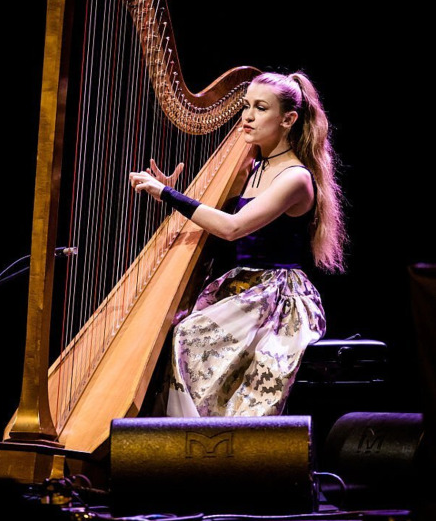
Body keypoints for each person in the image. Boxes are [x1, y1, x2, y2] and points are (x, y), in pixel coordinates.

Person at [129, 71, 347, 417]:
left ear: (288, 119)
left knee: (190, 335)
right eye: (246, 106)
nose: (247, 116)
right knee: (173, 329)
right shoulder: (253, 166)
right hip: (242, 288)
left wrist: (169, 195)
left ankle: (206, 443)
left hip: (278, 295)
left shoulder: (296, 178)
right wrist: (174, 195)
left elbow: (232, 229)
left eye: (261, 108)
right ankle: (181, 444)